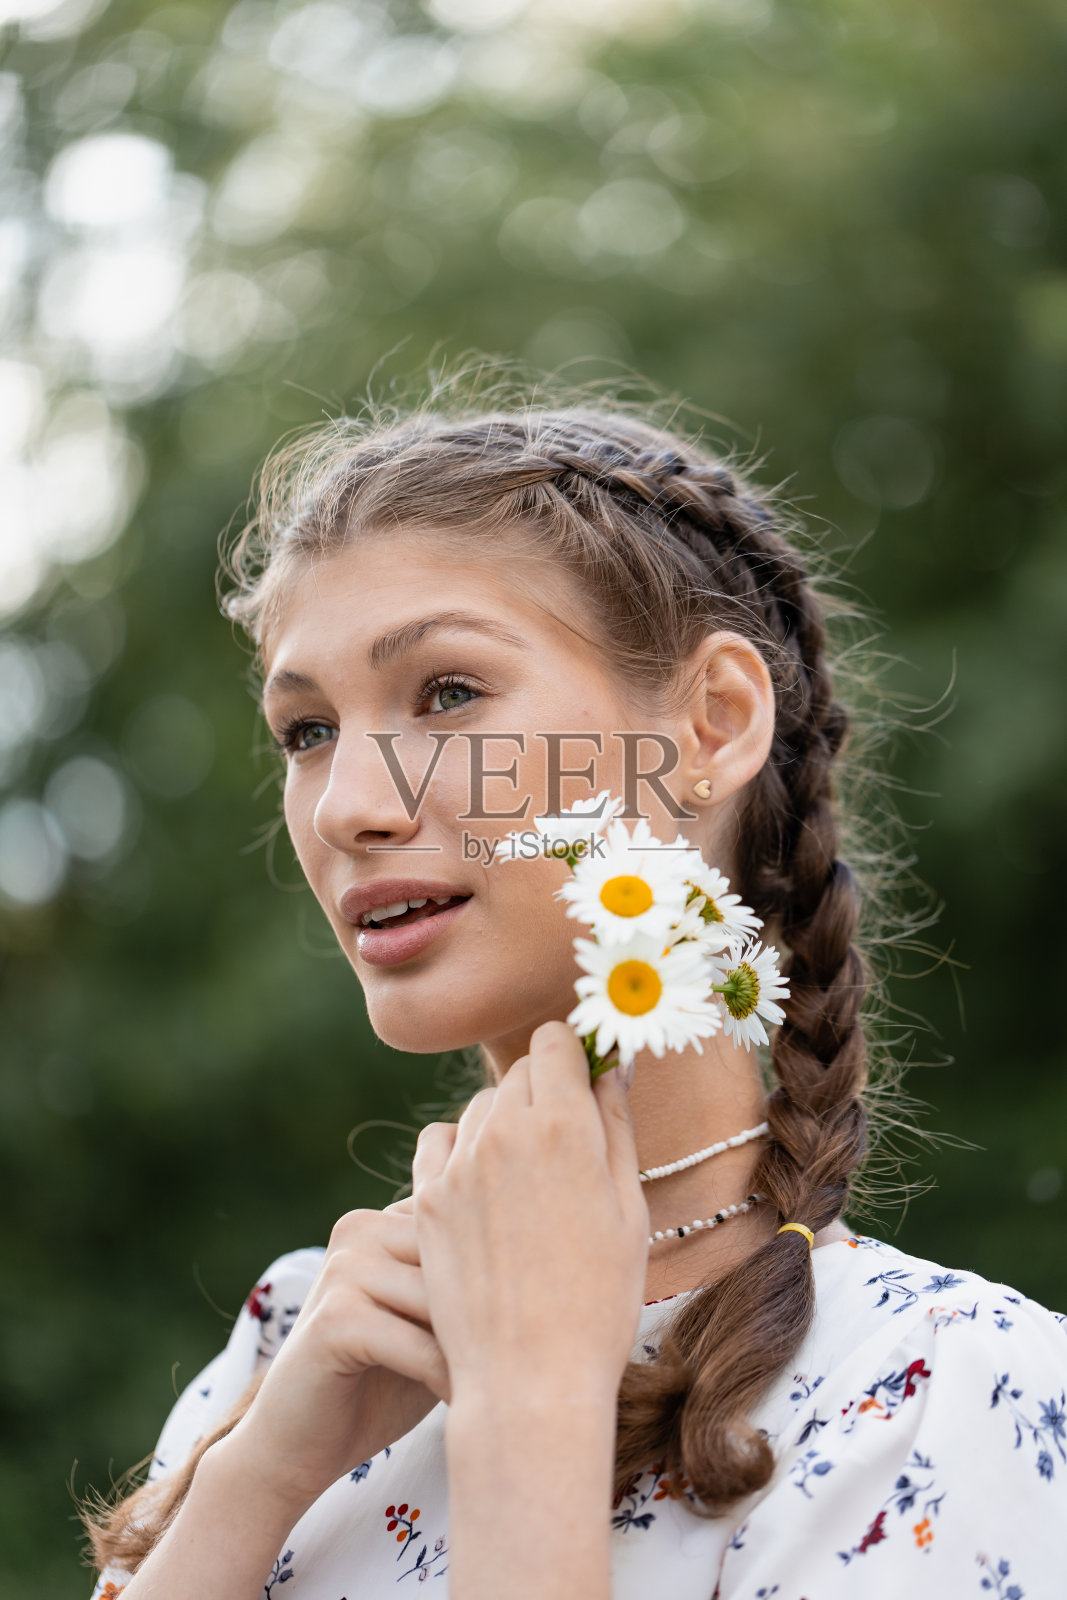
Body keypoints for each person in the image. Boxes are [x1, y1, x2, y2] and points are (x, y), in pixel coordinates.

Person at [82, 391, 1066, 1599]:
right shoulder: (297, 1342)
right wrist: (253, 1481)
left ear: (709, 724)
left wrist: (530, 1407)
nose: (346, 806)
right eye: (306, 731)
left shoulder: (940, 1396)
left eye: (446, 693)